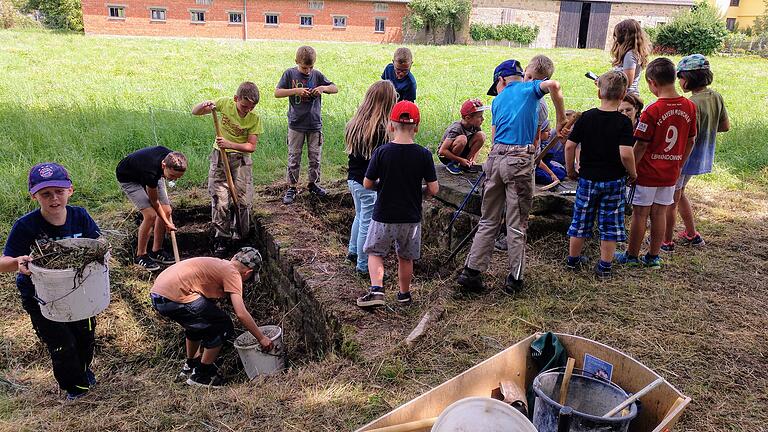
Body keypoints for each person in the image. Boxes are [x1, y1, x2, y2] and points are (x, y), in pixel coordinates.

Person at [457, 59, 565, 294]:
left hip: (495, 160)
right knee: (517, 224)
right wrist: (561, 119)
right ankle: (514, 279)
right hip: (519, 161)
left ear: (501, 80)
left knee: (488, 219)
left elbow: (495, 137)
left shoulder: (497, 101)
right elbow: (555, 85)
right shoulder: (530, 90)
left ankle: (472, 271)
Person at [0, 163, 101, 400]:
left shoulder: (80, 216)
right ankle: (74, 388)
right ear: (34, 196)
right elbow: (3, 261)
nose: (54, 198)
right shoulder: (26, 226)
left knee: (84, 336)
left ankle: (84, 373)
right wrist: (18, 263)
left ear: (70, 191)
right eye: (46, 194)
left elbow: (98, 244)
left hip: (79, 291)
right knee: (62, 343)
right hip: (42, 296)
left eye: (59, 191)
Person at [150, 247, 274, 388]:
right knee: (223, 325)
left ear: (234, 257)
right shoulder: (234, 274)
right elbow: (241, 313)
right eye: (249, 278)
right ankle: (203, 375)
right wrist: (261, 338)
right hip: (175, 298)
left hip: (158, 295)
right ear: (248, 273)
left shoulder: (220, 264)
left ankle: (191, 365)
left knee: (197, 324)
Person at [615, 58, 697, 269]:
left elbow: (640, 145)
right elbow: (691, 140)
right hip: (670, 172)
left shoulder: (653, 110)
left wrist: (630, 170)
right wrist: (679, 163)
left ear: (652, 83)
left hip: (647, 173)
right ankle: (653, 257)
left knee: (640, 214)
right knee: (660, 213)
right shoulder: (690, 106)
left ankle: (632, 256)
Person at [356, 101, 438, 308]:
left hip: (384, 214)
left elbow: (367, 183)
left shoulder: (382, 152)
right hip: (410, 217)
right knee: (406, 257)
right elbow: (434, 189)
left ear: (390, 126)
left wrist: (381, 187)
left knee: (375, 252)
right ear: (417, 127)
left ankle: (377, 290)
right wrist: (421, 193)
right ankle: (404, 294)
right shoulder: (424, 154)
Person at [564, 71, 637, 279]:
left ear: (599, 93)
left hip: (587, 179)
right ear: (623, 95)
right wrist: (633, 173)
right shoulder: (623, 122)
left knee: (581, 219)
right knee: (610, 222)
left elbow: (570, 146)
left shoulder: (586, 117)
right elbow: (626, 153)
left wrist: (570, 170)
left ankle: (573, 260)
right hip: (613, 180)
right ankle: (605, 265)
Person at [663, 54, 729, 251]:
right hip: (702, 157)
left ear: (689, 78)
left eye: (680, 77)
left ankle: (666, 241)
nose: (679, 82)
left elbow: (687, 136)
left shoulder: (691, 104)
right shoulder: (716, 97)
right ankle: (692, 234)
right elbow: (724, 126)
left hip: (684, 158)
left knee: (670, 201)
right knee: (680, 193)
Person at [192, 82, 263, 256]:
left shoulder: (254, 119)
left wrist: (230, 144)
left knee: (243, 202)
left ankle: (242, 238)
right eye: (245, 106)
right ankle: (221, 239)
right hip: (220, 160)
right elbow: (195, 112)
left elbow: (251, 146)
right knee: (220, 201)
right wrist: (204, 105)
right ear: (236, 99)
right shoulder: (224, 104)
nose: (247, 110)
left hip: (241, 161)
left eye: (252, 107)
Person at [345, 80, 398, 275]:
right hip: (369, 184)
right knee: (368, 223)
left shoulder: (356, 123)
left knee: (359, 217)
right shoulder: (382, 129)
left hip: (353, 180)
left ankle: (352, 251)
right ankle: (363, 264)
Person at [275, 45, 338, 205]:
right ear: (297, 62)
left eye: (311, 67)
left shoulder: (317, 75)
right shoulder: (290, 74)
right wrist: (295, 91)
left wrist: (323, 88)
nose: (308, 71)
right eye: (304, 67)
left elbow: (334, 88)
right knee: (294, 157)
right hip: (296, 124)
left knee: (315, 157)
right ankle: (292, 186)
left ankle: (313, 183)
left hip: (314, 125)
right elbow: (277, 92)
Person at [116, 146, 187, 271]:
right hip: (129, 178)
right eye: (172, 176)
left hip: (153, 173)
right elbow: (154, 201)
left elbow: (163, 207)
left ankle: (156, 251)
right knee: (150, 215)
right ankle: (141, 255)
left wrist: (166, 218)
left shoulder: (173, 158)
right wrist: (166, 223)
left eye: (177, 178)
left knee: (167, 211)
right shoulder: (151, 172)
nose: (174, 180)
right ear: (164, 165)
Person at [437, 98, 488, 175]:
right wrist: (460, 160)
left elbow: (477, 145)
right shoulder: (456, 128)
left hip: (461, 154)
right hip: (446, 157)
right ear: (468, 118)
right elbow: (442, 151)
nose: (483, 119)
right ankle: (452, 164)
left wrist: (473, 160)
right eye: (480, 116)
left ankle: (466, 163)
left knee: (481, 135)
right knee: (462, 139)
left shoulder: (475, 127)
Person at [610, 19, 651, 96]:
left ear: (623, 36)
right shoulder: (632, 53)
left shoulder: (630, 55)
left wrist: (607, 84)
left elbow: (627, 82)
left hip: (627, 99)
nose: (616, 40)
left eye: (617, 36)